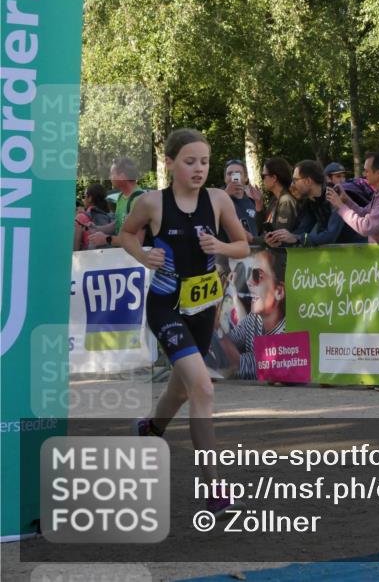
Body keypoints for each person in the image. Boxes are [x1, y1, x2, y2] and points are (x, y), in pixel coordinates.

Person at [119, 128, 250, 515]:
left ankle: (151, 428)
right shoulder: (151, 203)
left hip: (204, 309)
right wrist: (144, 256)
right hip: (166, 307)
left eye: (204, 162)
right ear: (170, 163)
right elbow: (126, 235)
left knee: (180, 390)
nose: (198, 169)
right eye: (190, 161)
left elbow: (243, 245)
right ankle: (215, 490)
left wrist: (220, 246)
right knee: (203, 388)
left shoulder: (218, 199)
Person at [221, 249, 286, 380]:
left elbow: (242, 365)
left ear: (279, 292)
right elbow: (231, 341)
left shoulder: (286, 334)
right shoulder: (255, 318)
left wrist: (215, 327)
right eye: (250, 274)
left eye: (257, 276)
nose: (249, 282)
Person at [267, 160, 357, 247]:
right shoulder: (311, 201)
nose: (292, 185)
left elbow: (330, 236)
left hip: (359, 252)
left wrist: (296, 238)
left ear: (308, 181)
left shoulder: (335, 196)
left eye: (295, 180)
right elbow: (302, 230)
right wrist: (280, 241)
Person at [327, 151, 379, 244]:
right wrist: (346, 199)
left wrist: (341, 207)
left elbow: (366, 227)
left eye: (367, 171)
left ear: (378, 173)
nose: (364, 175)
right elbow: (363, 213)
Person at [254, 157, 298, 248]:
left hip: (285, 255)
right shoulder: (274, 199)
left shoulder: (286, 200)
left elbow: (277, 239)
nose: (263, 179)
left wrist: (252, 239)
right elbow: (261, 230)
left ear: (274, 178)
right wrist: (259, 206)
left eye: (263, 176)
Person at [221, 159, 261, 243]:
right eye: (229, 174)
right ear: (225, 178)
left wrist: (259, 203)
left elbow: (261, 230)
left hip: (253, 249)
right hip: (228, 250)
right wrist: (225, 195)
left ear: (246, 178)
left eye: (238, 173)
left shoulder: (253, 201)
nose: (234, 177)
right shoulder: (217, 199)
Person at [73, 183, 115, 250]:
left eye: (84, 196)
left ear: (90, 198)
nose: (83, 199)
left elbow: (75, 248)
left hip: (91, 255)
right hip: (112, 254)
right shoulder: (112, 215)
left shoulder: (80, 217)